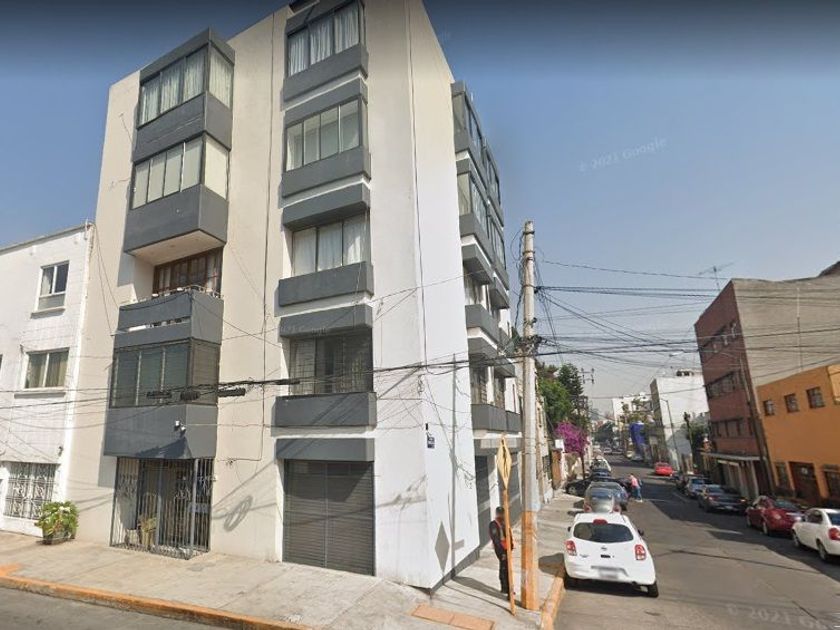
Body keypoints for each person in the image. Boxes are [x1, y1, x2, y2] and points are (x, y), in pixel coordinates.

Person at [489, 506, 514, 595]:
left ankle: (508, 587)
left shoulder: (504, 523)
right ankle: (505, 587)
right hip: (501, 549)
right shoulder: (494, 524)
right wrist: (501, 552)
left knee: (507, 567)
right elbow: (496, 539)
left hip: (507, 548)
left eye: (502, 513)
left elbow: (509, 535)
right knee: (504, 568)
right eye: (500, 513)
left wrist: (511, 546)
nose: (501, 515)